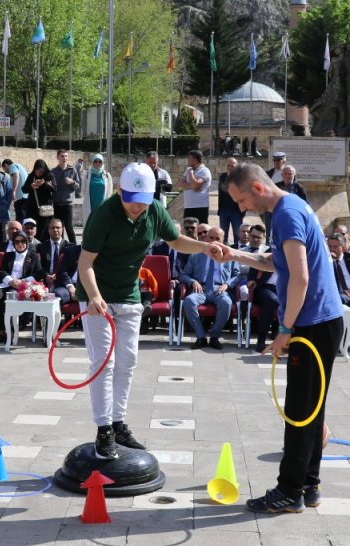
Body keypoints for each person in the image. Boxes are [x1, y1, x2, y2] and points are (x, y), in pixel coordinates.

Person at [211, 162, 343, 514]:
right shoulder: (292, 208)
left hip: (311, 324)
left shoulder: (285, 213)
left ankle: (289, 491)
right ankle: (309, 485)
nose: (240, 209)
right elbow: (278, 262)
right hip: (321, 321)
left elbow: (298, 278)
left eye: (240, 200)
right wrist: (237, 255)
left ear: (257, 188)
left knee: (299, 412)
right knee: (312, 411)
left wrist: (285, 331)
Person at [76, 162, 215, 460]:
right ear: (120, 192)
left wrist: (204, 247)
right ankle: (104, 430)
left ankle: (119, 423)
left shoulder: (153, 209)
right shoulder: (103, 215)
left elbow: (176, 240)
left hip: (129, 296)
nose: (137, 207)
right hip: (97, 297)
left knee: (128, 362)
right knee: (104, 362)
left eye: (143, 201)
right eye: (131, 201)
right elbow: (84, 263)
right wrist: (94, 296)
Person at [180, 227, 236, 349]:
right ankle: (201, 337)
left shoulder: (229, 255)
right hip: (201, 288)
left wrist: (227, 284)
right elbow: (183, 274)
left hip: (219, 289)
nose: (214, 241)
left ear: (223, 240)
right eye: (211, 238)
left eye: (217, 239)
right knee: (189, 301)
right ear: (206, 238)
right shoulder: (196, 255)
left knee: (227, 302)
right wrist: (193, 281)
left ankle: (214, 337)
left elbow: (237, 275)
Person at [0, 232, 46, 344]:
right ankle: (1, 330)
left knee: (11, 299)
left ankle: (13, 329)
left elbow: (39, 273)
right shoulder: (8, 255)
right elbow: (2, 271)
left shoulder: (33, 256)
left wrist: (23, 281)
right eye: (17, 242)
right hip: (6, 283)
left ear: (27, 242)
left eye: (23, 241)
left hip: (22, 286)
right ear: (13, 243)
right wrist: (10, 281)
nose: (20, 244)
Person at [48, 149, 81, 244]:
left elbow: (78, 186)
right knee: (59, 227)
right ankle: (60, 247)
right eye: (62, 156)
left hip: (68, 203)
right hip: (57, 203)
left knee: (69, 227)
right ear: (58, 157)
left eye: (66, 156)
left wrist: (72, 182)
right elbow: (51, 188)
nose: (64, 158)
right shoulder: (53, 172)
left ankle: (74, 247)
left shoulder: (73, 170)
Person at [21, 159, 55, 238]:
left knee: (45, 228)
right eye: (37, 171)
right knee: (34, 227)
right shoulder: (31, 176)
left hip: (46, 208)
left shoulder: (49, 176)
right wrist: (31, 186)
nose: (38, 174)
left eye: (41, 172)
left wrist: (46, 184)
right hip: (33, 207)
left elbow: (54, 189)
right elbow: (24, 189)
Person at [179, 150, 212, 225]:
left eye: (189, 158)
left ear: (195, 160)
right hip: (188, 206)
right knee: (189, 230)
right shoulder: (188, 169)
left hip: (200, 207)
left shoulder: (205, 171)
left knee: (201, 230)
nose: (188, 160)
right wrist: (193, 187)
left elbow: (195, 184)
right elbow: (181, 184)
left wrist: (191, 173)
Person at [216, 157, 242, 245]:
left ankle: (237, 254)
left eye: (232, 166)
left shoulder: (240, 178)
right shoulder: (223, 176)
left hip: (237, 211)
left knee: (237, 235)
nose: (230, 167)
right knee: (222, 235)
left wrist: (243, 211)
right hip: (224, 210)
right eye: (228, 165)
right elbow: (221, 193)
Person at [81, 153, 113, 226]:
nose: (97, 163)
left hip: (103, 206)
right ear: (92, 162)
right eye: (95, 161)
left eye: (100, 161)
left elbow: (109, 192)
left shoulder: (107, 175)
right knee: (90, 226)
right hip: (90, 205)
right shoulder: (87, 175)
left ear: (102, 163)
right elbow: (83, 190)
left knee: (102, 227)